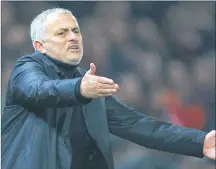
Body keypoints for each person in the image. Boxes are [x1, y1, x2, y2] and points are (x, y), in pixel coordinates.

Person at [1, 8, 215, 169]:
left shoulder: (87, 84)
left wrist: (199, 142)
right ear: (40, 46)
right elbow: (38, 90)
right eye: (61, 33)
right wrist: (78, 90)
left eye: (75, 31)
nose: (73, 37)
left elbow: (141, 127)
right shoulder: (26, 68)